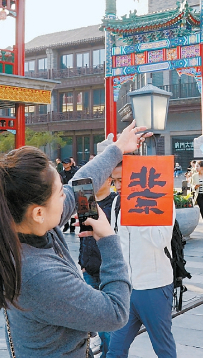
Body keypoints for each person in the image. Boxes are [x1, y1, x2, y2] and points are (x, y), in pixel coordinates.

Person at [0, 121, 146, 357]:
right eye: (60, 193)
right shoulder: (38, 274)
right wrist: (108, 238)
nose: (67, 195)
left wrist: (118, 148)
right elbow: (116, 313)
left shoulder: (27, 227)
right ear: (38, 212)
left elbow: (80, 186)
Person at [108, 162, 178, 358]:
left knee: (163, 349)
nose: (117, 186)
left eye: (121, 180)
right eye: (114, 181)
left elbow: (161, 239)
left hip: (154, 287)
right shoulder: (117, 202)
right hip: (126, 289)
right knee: (115, 350)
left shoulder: (162, 200)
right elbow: (117, 241)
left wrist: (139, 211)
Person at [78, 136, 121, 356]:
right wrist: (82, 263)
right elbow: (83, 236)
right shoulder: (85, 200)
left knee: (109, 323)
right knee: (95, 321)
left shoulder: (116, 202)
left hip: (108, 269)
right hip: (89, 269)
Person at [60, 158, 79, 233]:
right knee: (64, 207)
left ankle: (72, 226)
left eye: (66, 163)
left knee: (73, 209)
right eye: (64, 163)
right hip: (64, 191)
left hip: (74, 191)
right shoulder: (61, 173)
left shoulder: (75, 172)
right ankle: (66, 224)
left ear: (70, 164)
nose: (65, 165)